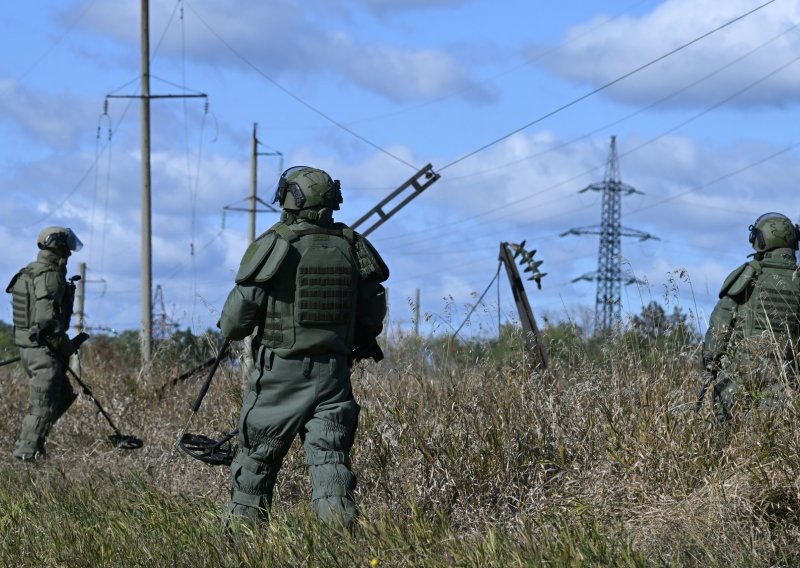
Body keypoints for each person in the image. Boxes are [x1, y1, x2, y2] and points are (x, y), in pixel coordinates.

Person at [217, 166, 388, 528]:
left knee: (256, 465)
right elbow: (372, 314)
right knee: (331, 466)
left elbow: (234, 324)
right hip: (334, 376)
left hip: (280, 376)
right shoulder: (353, 246)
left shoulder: (276, 244)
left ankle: (242, 549)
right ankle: (341, 548)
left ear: (290, 197)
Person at [701, 212, 800, 422]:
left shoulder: (748, 275)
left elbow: (720, 326)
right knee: (775, 442)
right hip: (785, 377)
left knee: (727, 438)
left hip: (741, 373)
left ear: (761, 240)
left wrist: (711, 364)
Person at [6, 226, 88, 461]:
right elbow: (45, 320)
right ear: (59, 246)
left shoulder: (31, 271)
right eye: (67, 247)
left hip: (32, 349)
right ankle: (25, 456)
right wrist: (66, 346)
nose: (71, 253)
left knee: (61, 395)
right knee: (41, 405)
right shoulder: (48, 274)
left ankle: (35, 443)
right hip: (43, 351)